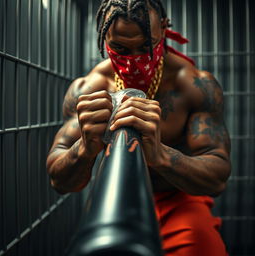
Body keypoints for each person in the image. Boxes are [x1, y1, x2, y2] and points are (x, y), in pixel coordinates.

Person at [46, 0, 231, 255]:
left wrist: (162, 155)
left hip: (178, 201)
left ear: (164, 29)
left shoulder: (193, 85)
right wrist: (85, 148)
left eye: (145, 47)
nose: (133, 62)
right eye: (120, 48)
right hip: (112, 199)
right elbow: (59, 180)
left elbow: (218, 178)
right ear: (103, 32)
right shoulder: (88, 88)